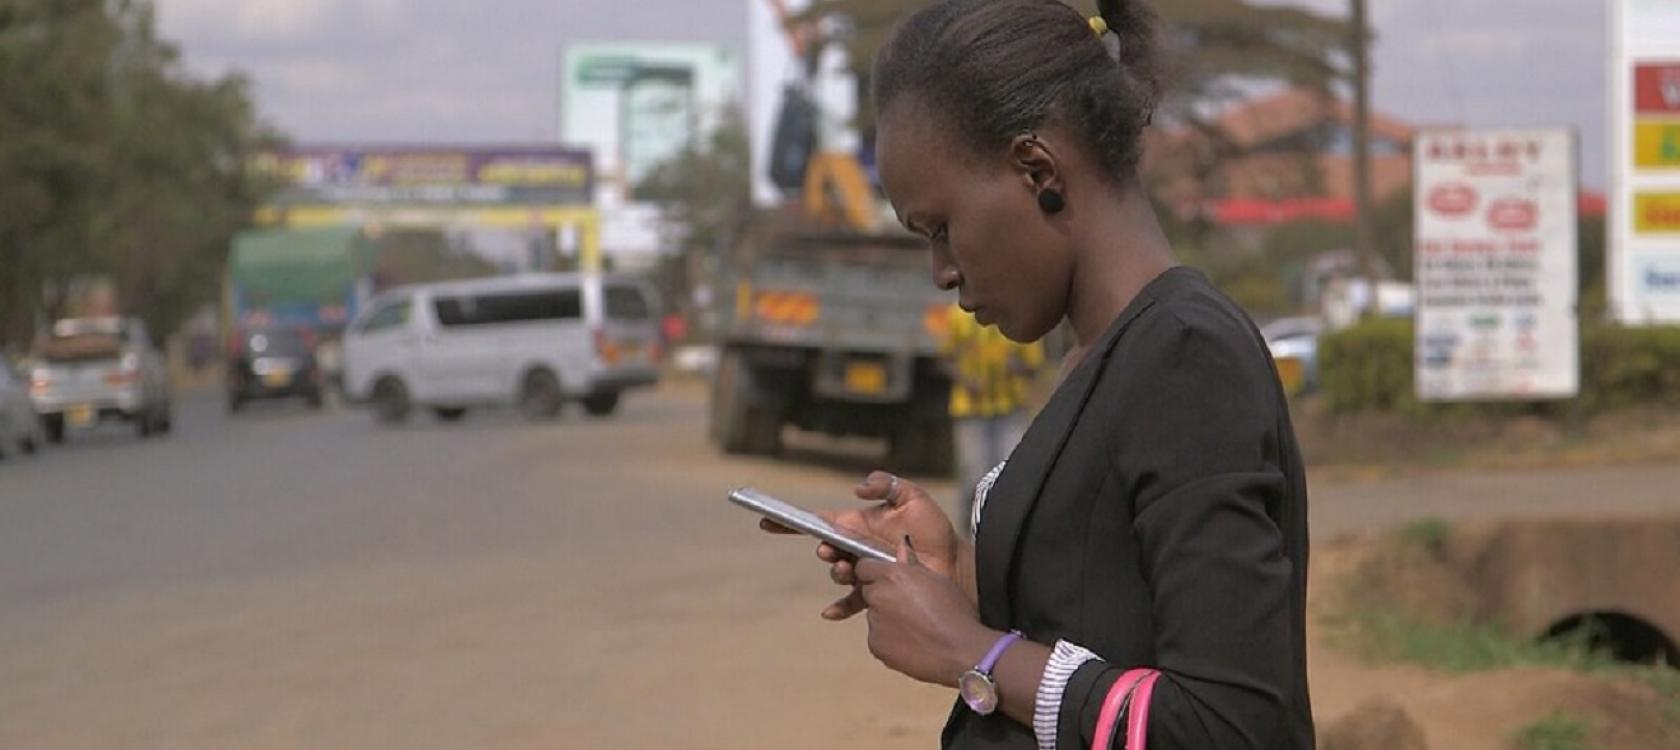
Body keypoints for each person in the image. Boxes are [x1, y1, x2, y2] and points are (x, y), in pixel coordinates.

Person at [759, 0, 1313, 747]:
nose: (942, 272)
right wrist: (955, 574)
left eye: (941, 229)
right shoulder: (1103, 353)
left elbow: (1231, 725)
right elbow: (1106, 609)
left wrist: (973, 653)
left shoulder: (1185, 358)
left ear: (1038, 169)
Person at [940, 302, 1046, 536]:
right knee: (974, 476)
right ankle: (970, 535)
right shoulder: (959, 317)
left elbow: (1034, 367)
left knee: (1009, 475)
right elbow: (945, 359)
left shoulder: (1022, 319)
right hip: (971, 410)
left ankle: (1002, 535)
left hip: (1009, 410)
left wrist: (1016, 367)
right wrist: (966, 381)